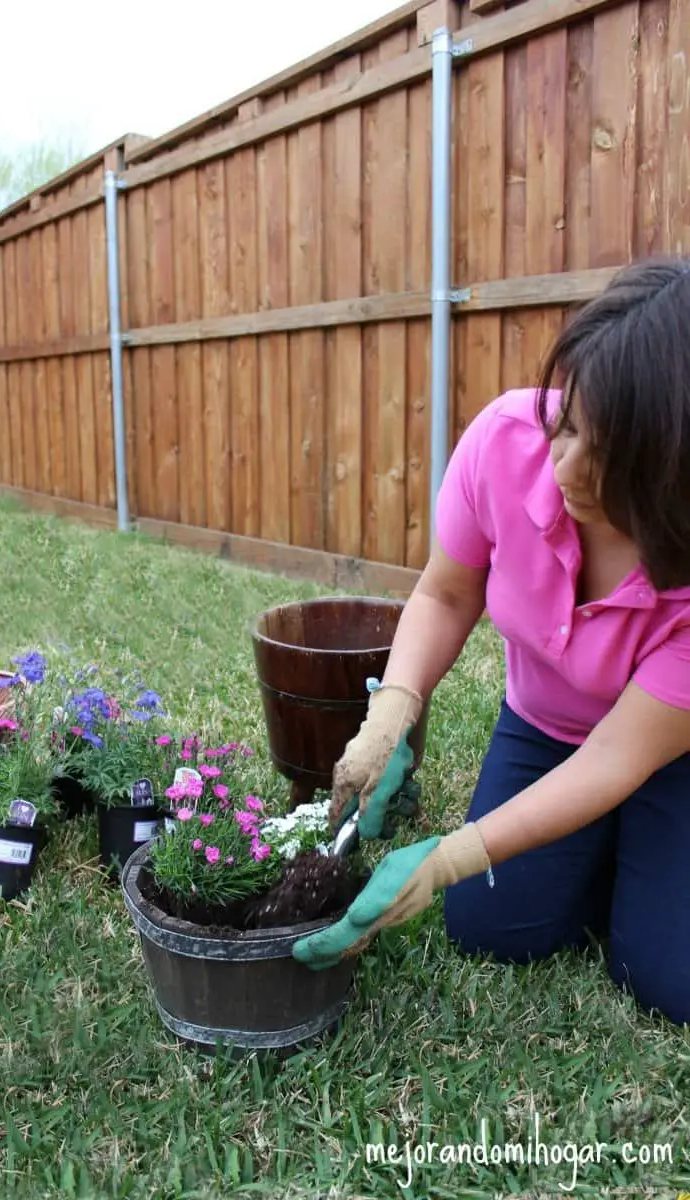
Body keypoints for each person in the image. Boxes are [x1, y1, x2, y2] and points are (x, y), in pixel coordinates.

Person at [292, 257, 690, 1027]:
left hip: (666, 753)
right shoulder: (508, 440)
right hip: (548, 726)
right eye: (566, 423)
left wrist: (448, 856)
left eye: (601, 454)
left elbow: (617, 758)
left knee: (666, 981)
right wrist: (393, 712)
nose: (563, 463)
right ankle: (609, 845)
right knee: (491, 929)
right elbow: (445, 592)